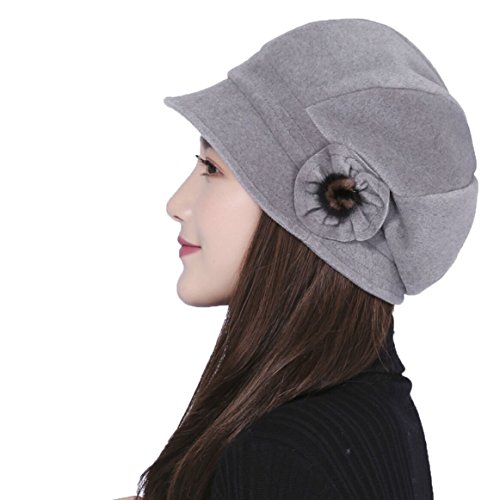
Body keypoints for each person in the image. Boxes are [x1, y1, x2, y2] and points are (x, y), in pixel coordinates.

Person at [126, 18, 478, 500]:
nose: (176, 204)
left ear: (327, 203)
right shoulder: (365, 411)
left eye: (212, 168)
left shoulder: (282, 453)